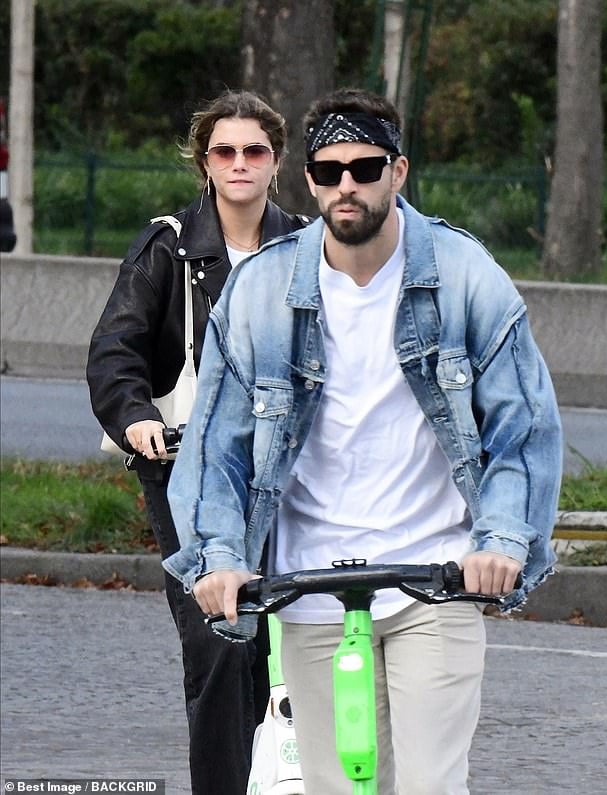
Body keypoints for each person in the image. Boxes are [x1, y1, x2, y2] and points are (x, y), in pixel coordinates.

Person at [164, 88, 562, 795]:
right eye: (328, 171)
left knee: (428, 784)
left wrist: (502, 539)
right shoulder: (260, 291)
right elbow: (216, 447)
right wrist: (219, 556)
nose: (346, 185)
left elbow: (522, 428)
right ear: (309, 179)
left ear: (398, 172)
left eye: (365, 167)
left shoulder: (466, 276)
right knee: (332, 786)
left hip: (433, 583)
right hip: (312, 589)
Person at [86, 90, 309, 795]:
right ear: (204, 162)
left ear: (276, 162)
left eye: (255, 151)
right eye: (225, 151)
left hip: (292, 471)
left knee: (291, 639)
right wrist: (136, 417)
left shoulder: (308, 246)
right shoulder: (169, 246)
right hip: (187, 466)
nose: (240, 163)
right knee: (218, 642)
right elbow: (113, 351)